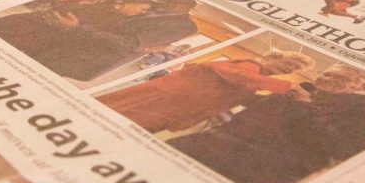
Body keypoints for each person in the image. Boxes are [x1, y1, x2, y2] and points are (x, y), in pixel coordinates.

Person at [167, 64, 365, 183]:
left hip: (259, 168)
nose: (329, 78)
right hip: (211, 142)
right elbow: (255, 109)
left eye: (340, 77)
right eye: (328, 73)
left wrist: (307, 108)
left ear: (361, 88)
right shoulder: (301, 94)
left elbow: (346, 150)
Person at [0, 0, 200, 82]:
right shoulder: (104, 10)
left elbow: (128, 45)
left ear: (183, 7)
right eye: (143, 9)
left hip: (80, 56)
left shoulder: (181, 25)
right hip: (41, 38)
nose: (156, 7)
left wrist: (77, 28)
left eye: (168, 3)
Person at [97, 50, 315, 133]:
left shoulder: (257, 82)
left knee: (122, 127)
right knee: (111, 116)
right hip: (162, 98)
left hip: (173, 108)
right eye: (289, 63)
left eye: (294, 69)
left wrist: (297, 101)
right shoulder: (246, 66)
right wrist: (287, 87)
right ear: (272, 58)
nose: (289, 69)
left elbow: (248, 98)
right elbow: (241, 78)